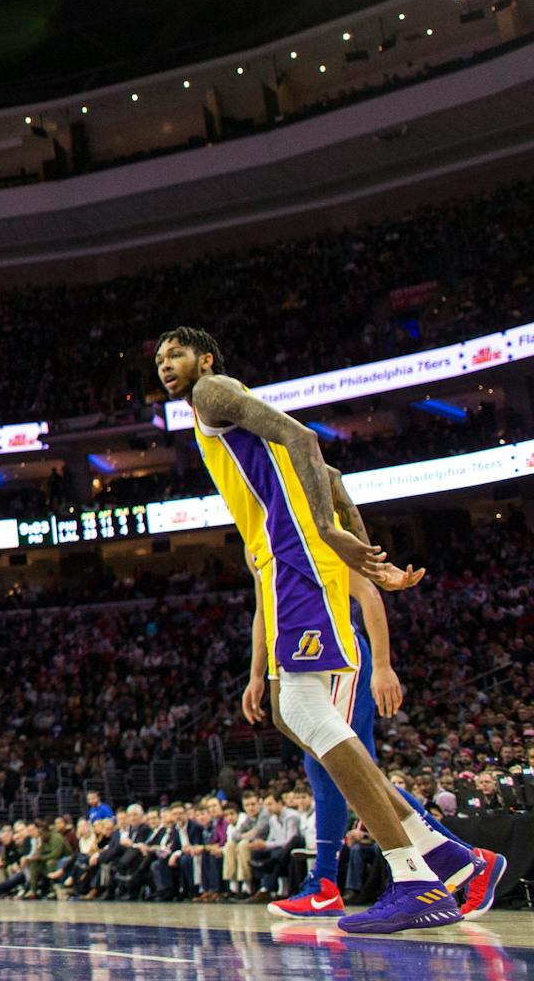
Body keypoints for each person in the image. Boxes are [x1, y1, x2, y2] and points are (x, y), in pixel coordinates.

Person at [156, 327, 490, 934]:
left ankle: (415, 878)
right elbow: (331, 474)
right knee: (291, 716)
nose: (164, 364)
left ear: (205, 359)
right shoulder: (231, 421)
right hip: (287, 561)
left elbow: (305, 436)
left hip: (295, 560)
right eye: (157, 358)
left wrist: (333, 536)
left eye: (175, 353)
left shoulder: (212, 393)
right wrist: (365, 553)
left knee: (307, 714)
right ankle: (448, 857)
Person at [266, 502, 503, 919]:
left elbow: (370, 595)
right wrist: (260, 674)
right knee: (344, 769)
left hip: (342, 658)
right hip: (307, 660)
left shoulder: (315, 533)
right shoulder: (271, 537)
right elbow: (263, 613)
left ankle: (327, 881)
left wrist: (384, 666)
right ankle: (465, 862)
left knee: (342, 768)